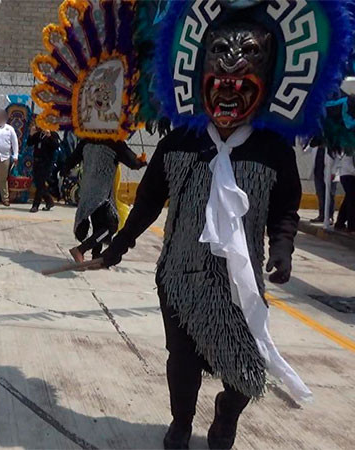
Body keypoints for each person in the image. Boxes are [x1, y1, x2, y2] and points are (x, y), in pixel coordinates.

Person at [95, 6, 322, 448]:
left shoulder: (272, 151)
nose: (232, 69)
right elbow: (147, 203)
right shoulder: (180, 141)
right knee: (181, 362)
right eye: (218, 59)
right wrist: (118, 246)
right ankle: (181, 422)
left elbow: (285, 210)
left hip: (240, 282)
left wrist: (283, 248)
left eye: (249, 60)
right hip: (179, 277)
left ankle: (226, 413)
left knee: (247, 373)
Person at [65, 137, 146, 262]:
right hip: (102, 192)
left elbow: (71, 160)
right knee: (110, 227)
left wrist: (62, 170)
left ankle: (95, 255)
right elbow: (133, 163)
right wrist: (141, 161)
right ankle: (81, 249)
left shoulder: (86, 140)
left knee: (98, 223)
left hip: (87, 190)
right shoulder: (115, 142)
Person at [27, 123, 59, 213]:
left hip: (46, 163)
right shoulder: (38, 135)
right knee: (38, 184)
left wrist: (49, 137)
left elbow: (56, 146)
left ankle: (35, 205)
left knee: (40, 184)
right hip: (37, 162)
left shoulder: (53, 134)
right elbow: (29, 143)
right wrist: (31, 134)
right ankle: (49, 201)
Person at [307, 137, 337, 224]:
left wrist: (334, 171)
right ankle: (322, 215)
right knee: (320, 193)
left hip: (330, 172)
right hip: (318, 171)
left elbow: (338, 158)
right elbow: (305, 149)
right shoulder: (316, 144)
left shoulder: (333, 141)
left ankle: (329, 216)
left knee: (330, 194)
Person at [335, 151, 355, 232]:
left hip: (346, 174)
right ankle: (351, 226)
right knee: (352, 201)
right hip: (349, 175)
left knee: (348, 200)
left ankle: (340, 222)